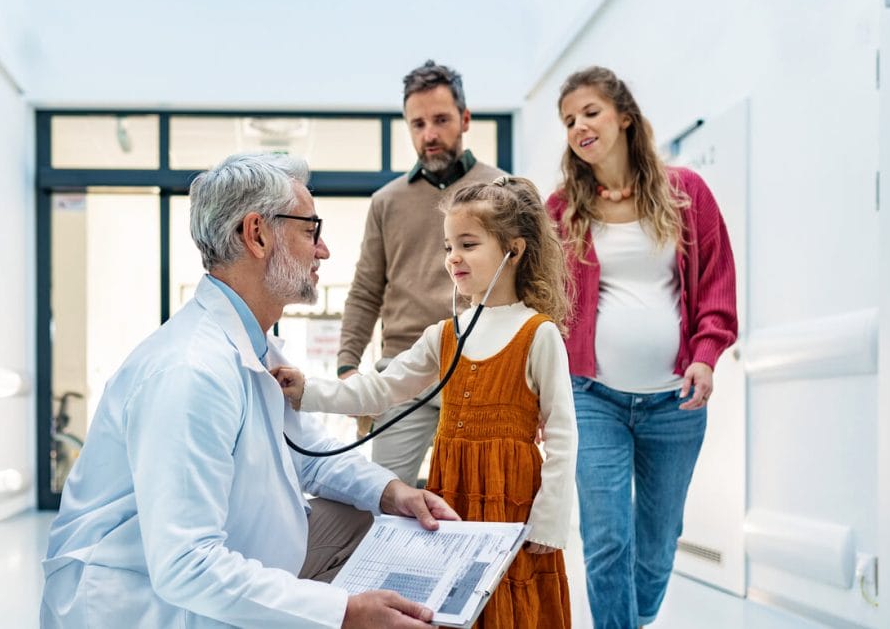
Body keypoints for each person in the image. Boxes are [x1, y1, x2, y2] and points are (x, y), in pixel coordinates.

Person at [40, 153, 460, 629]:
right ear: (257, 234)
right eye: (310, 231)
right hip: (140, 603)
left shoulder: (256, 344)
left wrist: (393, 492)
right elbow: (186, 565)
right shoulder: (190, 372)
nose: (322, 251)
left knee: (366, 516)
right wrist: (343, 614)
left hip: (215, 562)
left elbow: (308, 451)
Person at [276, 176, 576, 629]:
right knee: (455, 600)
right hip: (453, 493)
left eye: (468, 244)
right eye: (448, 246)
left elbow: (562, 433)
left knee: (512, 604)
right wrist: (309, 391)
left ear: (514, 250)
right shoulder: (444, 334)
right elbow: (380, 389)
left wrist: (551, 520)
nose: (453, 257)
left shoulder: (540, 334)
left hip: (513, 500)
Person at [545, 66, 738, 629]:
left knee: (656, 546)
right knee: (607, 541)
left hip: (673, 405)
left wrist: (706, 355)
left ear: (624, 116)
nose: (579, 126)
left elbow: (717, 283)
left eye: (590, 112)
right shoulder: (563, 210)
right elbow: (548, 305)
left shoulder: (686, 193)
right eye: (568, 120)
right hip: (592, 397)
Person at [337, 60, 508, 485]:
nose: (429, 134)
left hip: (481, 368)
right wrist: (347, 368)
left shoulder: (504, 191)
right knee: (383, 499)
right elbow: (365, 290)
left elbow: (531, 281)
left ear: (465, 120)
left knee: (480, 504)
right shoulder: (386, 202)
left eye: (441, 120)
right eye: (418, 124)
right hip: (403, 373)